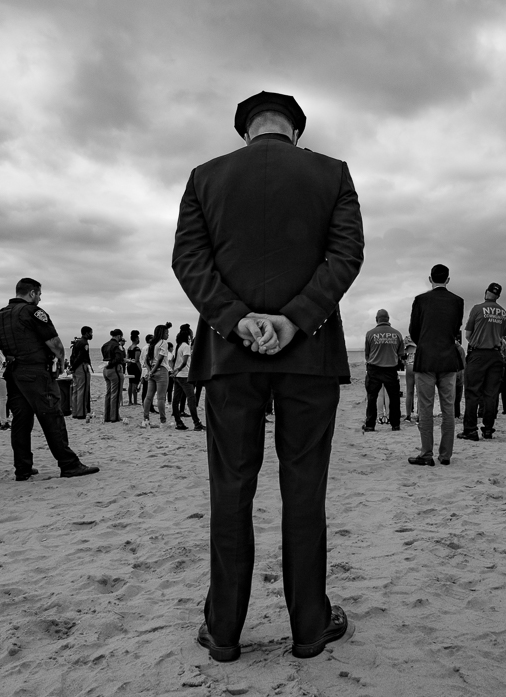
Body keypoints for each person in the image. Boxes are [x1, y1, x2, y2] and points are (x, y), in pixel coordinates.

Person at [171, 91, 362, 661]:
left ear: (245, 131)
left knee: (231, 491)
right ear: (296, 131)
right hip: (308, 354)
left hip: (231, 358)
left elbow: (189, 261)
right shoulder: (332, 173)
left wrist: (236, 320)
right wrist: (295, 320)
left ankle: (224, 630)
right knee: (304, 491)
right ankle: (309, 628)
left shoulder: (205, 177)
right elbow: (345, 255)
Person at [0, 277, 100, 481]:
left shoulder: (0, 315)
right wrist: (60, 361)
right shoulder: (33, 312)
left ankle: (22, 468)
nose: (40, 298)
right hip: (35, 373)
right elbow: (55, 342)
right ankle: (69, 464)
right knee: (52, 417)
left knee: (21, 421)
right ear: (32, 293)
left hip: (14, 372)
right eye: (39, 294)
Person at [407, 264, 464, 466]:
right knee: (448, 409)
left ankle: (426, 453)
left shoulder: (421, 300)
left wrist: (425, 342)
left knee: (426, 408)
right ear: (448, 280)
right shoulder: (458, 301)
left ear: (430, 279)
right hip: (448, 359)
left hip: (426, 359)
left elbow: (413, 329)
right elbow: (456, 328)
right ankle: (446, 455)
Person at [459, 282, 506, 441]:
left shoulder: (477, 309)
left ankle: (470, 430)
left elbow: (467, 334)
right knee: (491, 394)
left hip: (478, 354)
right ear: (498, 296)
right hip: (495, 355)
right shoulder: (503, 313)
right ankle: (488, 429)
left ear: (486, 292)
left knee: (473, 393)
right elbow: (503, 336)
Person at [362, 309, 405, 432]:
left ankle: (370, 424)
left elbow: (367, 354)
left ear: (377, 319)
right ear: (388, 319)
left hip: (374, 369)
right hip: (391, 369)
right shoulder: (397, 334)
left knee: (372, 397)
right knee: (394, 398)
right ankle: (395, 424)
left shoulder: (370, 334)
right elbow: (400, 354)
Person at [171, 325, 203, 431]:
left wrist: (174, 370)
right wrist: (178, 369)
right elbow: (185, 362)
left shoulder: (178, 346)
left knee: (176, 400)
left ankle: (178, 422)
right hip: (184, 376)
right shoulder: (185, 346)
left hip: (178, 377)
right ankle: (197, 423)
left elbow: (173, 360)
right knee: (191, 399)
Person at [141, 323, 171, 428]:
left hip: (152, 371)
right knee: (161, 398)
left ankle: (145, 419)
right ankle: (163, 421)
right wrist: (153, 371)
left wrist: (150, 372)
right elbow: (160, 359)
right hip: (161, 371)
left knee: (148, 397)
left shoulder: (151, 345)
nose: (168, 335)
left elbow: (146, 360)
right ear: (162, 333)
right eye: (167, 332)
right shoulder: (163, 343)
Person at [101, 328, 125, 423]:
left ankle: (107, 415)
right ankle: (114, 416)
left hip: (106, 370)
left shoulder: (105, 345)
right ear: (118, 336)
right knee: (116, 393)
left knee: (108, 393)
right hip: (115, 369)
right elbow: (119, 358)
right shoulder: (116, 346)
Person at [69, 326, 93, 419]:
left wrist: (72, 367)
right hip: (81, 366)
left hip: (75, 368)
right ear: (86, 333)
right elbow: (80, 357)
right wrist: (75, 366)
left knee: (75, 390)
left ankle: (75, 412)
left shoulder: (77, 342)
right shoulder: (84, 343)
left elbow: (73, 356)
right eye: (90, 333)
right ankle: (81, 413)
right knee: (82, 390)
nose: (91, 335)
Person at [402, 335, 417, 423]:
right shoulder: (421, 336)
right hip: (418, 365)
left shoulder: (407, 338)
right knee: (420, 393)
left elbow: (402, 354)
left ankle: (408, 415)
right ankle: (419, 416)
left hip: (409, 365)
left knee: (409, 392)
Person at [126, 330, 142, 405]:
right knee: (135, 383)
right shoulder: (137, 349)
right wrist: (140, 369)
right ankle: (135, 401)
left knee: (130, 383)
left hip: (129, 366)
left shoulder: (129, 348)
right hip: (135, 366)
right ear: (136, 339)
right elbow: (137, 360)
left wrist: (129, 361)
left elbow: (127, 358)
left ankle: (130, 401)